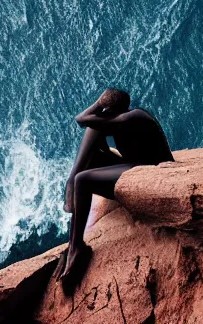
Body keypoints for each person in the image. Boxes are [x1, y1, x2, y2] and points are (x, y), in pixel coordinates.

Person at [56, 88, 174, 285]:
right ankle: (73, 242)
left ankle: (77, 247)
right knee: (91, 141)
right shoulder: (115, 119)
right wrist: (102, 105)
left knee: (83, 180)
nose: (102, 113)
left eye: (105, 109)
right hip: (133, 164)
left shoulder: (133, 117)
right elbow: (87, 123)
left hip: (152, 170)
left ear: (113, 109)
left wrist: (98, 105)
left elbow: (81, 118)